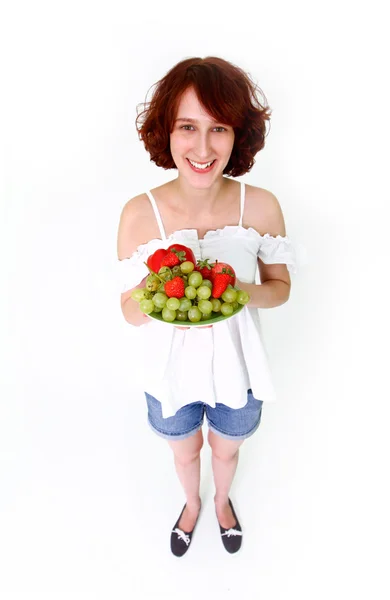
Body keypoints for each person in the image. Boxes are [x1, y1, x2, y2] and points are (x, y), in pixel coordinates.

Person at [117, 56, 297, 556]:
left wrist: (237, 292)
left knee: (225, 450)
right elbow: (130, 312)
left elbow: (279, 288)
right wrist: (154, 290)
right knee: (184, 452)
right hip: (169, 374)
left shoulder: (260, 206)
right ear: (165, 132)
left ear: (239, 134)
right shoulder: (139, 213)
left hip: (238, 371)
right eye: (187, 126)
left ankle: (221, 502)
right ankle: (190, 506)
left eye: (218, 127)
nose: (202, 147)